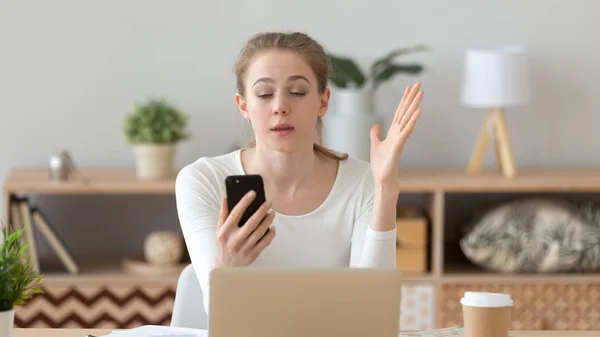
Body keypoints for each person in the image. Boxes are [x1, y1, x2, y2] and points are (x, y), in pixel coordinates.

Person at [175, 31, 424, 315]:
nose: (280, 106)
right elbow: (222, 319)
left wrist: (385, 187)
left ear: (323, 101)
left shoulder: (362, 182)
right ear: (244, 105)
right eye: (264, 94)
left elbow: (372, 311)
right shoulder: (203, 181)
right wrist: (228, 267)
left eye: (297, 92)